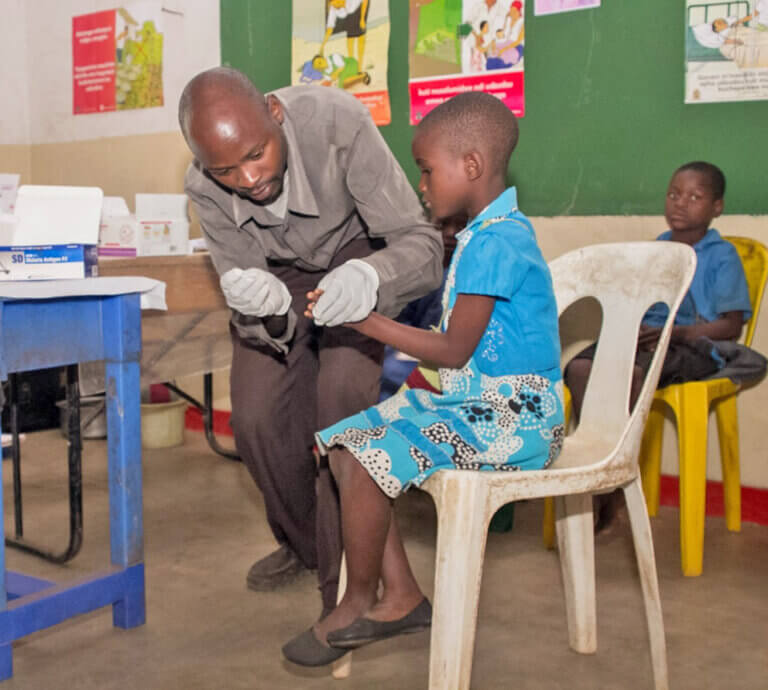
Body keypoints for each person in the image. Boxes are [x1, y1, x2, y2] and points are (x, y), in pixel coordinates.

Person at [282, 91, 565, 666]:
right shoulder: (480, 236)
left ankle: (360, 601)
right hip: (478, 408)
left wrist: (367, 320)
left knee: (365, 454)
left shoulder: (497, 241)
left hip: (520, 418)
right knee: (344, 440)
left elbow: (455, 351)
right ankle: (404, 595)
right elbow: (457, 360)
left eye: (427, 169)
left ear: (472, 167)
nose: (423, 184)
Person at [178, 68, 443, 616]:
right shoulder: (204, 186)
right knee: (254, 418)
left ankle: (345, 589)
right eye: (226, 169)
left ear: (275, 114)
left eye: (257, 154)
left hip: (358, 255)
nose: (249, 179)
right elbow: (248, 289)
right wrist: (268, 316)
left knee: (340, 402)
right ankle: (309, 547)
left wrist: (370, 277)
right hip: (281, 278)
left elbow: (420, 243)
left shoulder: (338, 123)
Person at [565, 161, 754, 531]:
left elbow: (731, 325)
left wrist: (676, 334)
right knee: (580, 366)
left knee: (631, 373)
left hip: (693, 346)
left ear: (717, 207)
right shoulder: (655, 250)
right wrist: (630, 327)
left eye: (694, 197)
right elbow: (635, 304)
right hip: (647, 341)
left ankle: (611, 483)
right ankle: (598, 461)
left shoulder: (721, 255)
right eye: (673, 194)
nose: (680, 203)